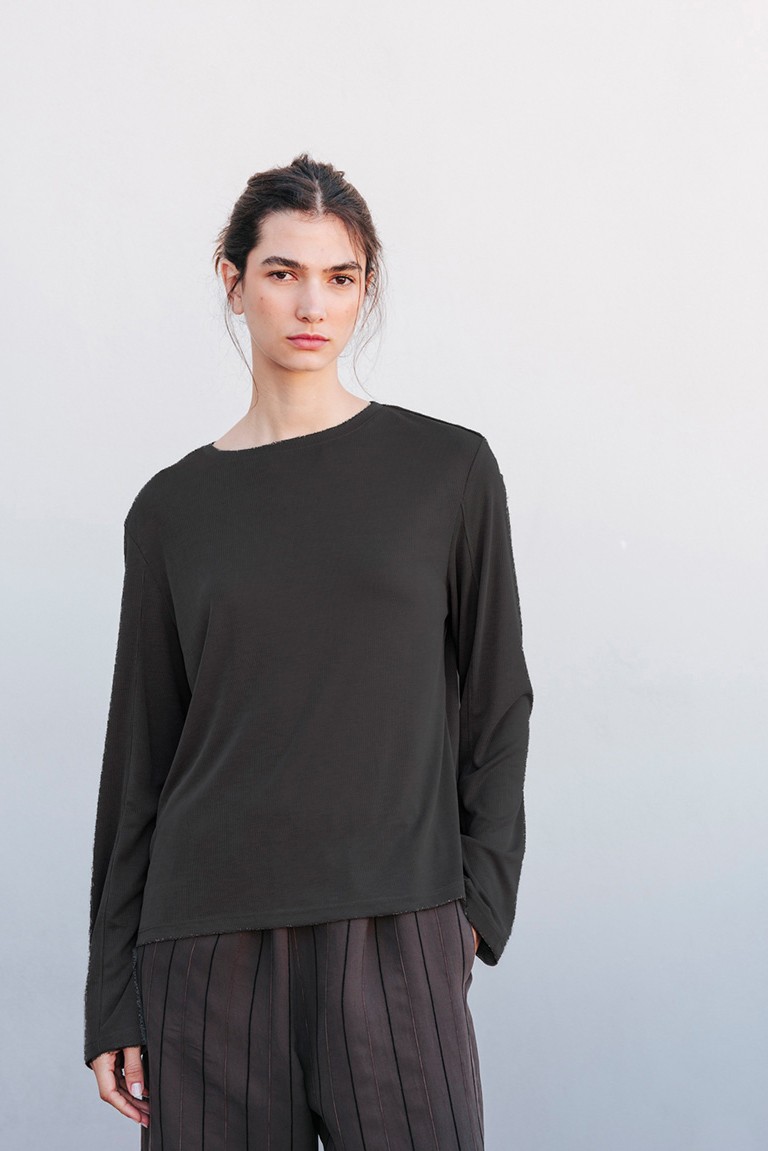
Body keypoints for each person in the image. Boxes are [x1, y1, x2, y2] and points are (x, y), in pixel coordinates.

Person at [84, 153, 534, 1150]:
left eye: (340, 276)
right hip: (204, 941)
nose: (311, 303)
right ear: (233, 279)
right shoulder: (172, 511)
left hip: (397, 922)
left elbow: (499, 702)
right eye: (282, 271)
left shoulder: (446, 470)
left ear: (365, 287)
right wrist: (113, 987)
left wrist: (474, 908)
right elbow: (140, 757)